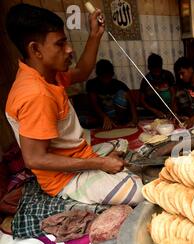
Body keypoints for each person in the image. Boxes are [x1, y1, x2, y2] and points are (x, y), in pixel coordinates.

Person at [5, 4, 143, 206]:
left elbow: (83, 71)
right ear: (35, 49)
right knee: (140, 190)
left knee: (121, 146)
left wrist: (95, 35)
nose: (69, 49)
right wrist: (101, 163)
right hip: (64, 179)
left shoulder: (49, 74)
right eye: (60, 44)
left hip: (80, 156)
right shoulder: (35, 93)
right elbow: (35, 159)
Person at [86, 59, 138, 129]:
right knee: (84, 120)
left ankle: (117, 121)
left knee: (122, 94)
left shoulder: (119, 85)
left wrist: (134, 119)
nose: (106, 80)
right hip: (102, 115)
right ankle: (107, 122)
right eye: (104, 77)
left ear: (112, 74)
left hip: (119, 116)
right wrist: (104, 117)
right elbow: (94, 104)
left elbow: (132, 103)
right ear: (99, 75)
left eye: (108, 76)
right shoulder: (92, 84)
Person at [139, 53, 176, 118]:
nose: (157, 74)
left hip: (168, 110)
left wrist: (172, 108)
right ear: (149, 68)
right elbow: (142, 100)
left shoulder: (168, 75)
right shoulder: (146, 80)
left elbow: (173, 93)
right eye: (154, 71)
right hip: (152, 112)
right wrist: (154, 110)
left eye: (158, 71)